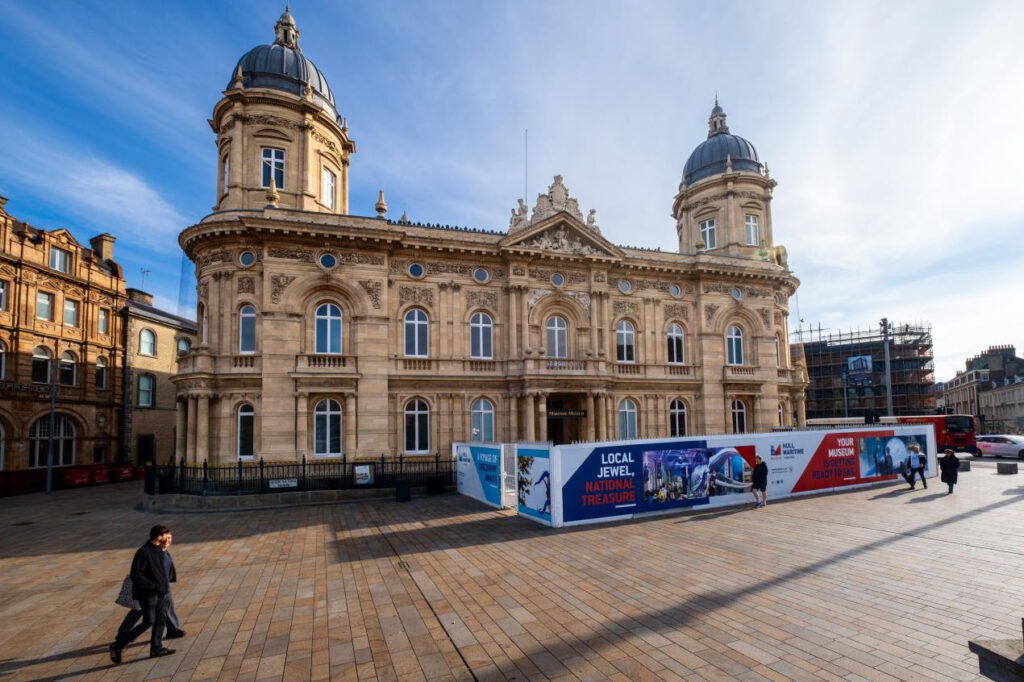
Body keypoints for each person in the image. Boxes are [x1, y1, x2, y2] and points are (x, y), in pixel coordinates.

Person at [109, 525, 176, 664]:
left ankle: (156, 648)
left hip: (161, 592)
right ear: (158, 537)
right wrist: (154, 585)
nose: (167, 538)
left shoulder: (158, 549)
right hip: (148, 594)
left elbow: (159, 571)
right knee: (149, 621)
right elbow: (136, 575)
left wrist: (163, 586)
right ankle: (118, 645)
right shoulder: (143, 552)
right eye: (165, 536)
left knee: (161, 619)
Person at [116, 529, 185, 641]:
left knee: (166, 606)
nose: (168, 541)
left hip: (162, 586)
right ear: (159, 538)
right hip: (149, 589)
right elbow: (138, 572)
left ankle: (172, 629)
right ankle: (123, 633)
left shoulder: (165, 553)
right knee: (139, 610)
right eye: (165, 538)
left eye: (170, 538)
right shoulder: (151, 553)